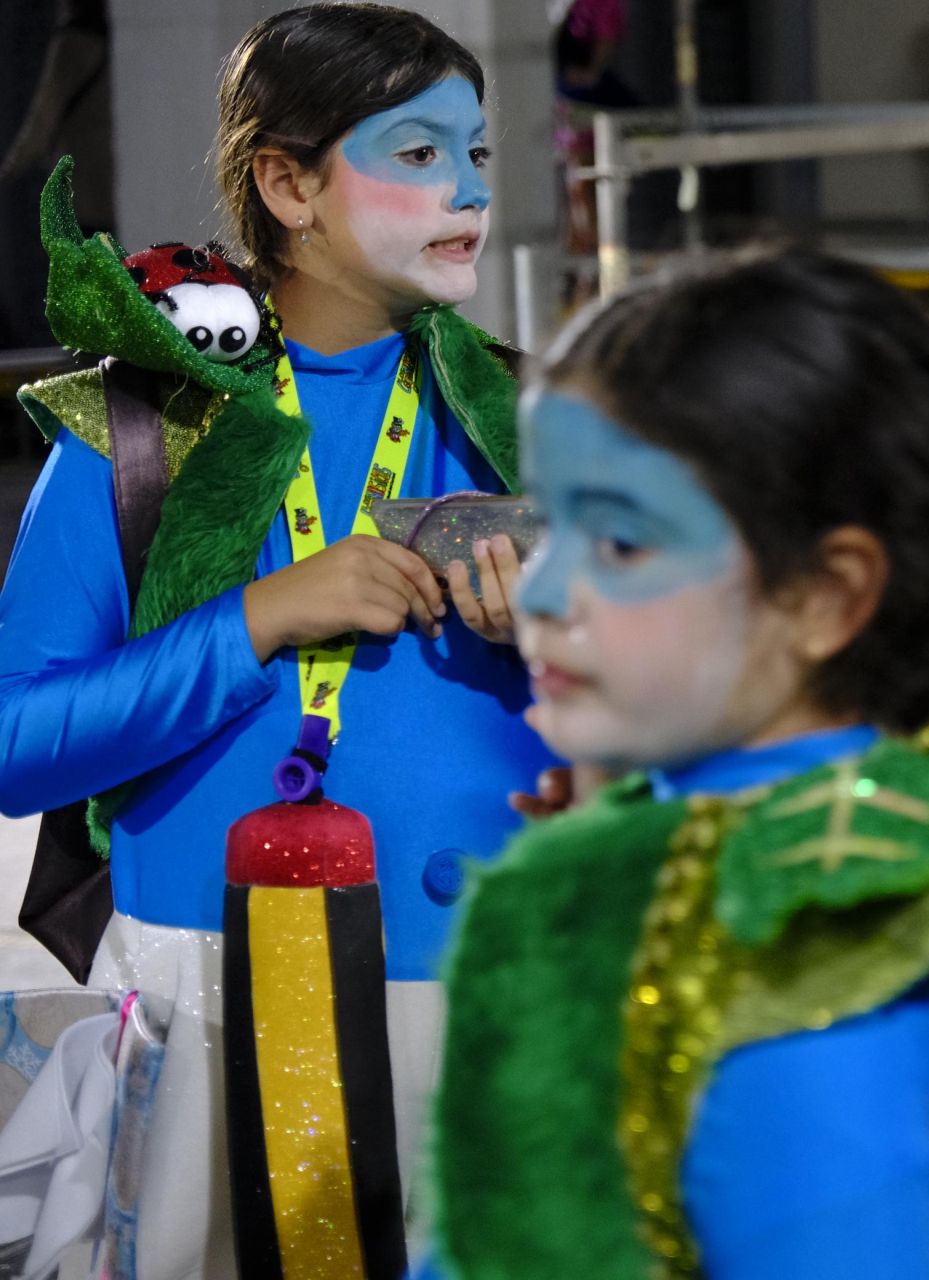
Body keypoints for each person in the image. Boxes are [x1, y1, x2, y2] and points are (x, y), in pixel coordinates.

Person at [432, 248, 929, 1279]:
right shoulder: (736, 855)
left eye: (624, 544)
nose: (544, 593)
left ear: (826, 595)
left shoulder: (828, 959)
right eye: (550, 523)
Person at [0, 5, 554, 1273]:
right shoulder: (138, 426)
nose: (467, 188)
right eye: (417, 154)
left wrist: (576, 650)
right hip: (207, 1007)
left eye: (476, 152)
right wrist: (260, 616)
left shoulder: (538, 415)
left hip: (492, 1003)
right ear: (287, 183)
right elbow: (14, 740)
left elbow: (691, 724)